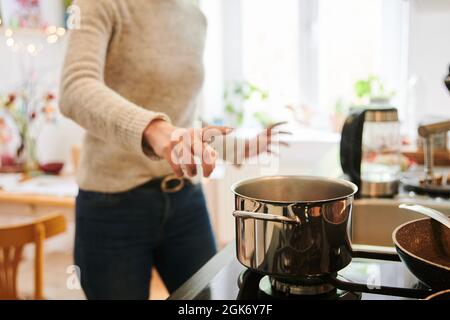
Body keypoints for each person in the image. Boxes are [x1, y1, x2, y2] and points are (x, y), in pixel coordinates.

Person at [60, 0, 285, 300]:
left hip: (185, 202)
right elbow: (75, 88)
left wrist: (239, 148)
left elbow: (184, 120)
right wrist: (155, 130)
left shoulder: (194, 16)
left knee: (213, 301)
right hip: (111, 207)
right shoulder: (99, 4)